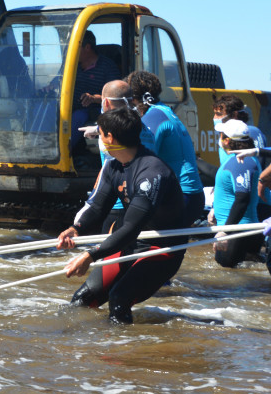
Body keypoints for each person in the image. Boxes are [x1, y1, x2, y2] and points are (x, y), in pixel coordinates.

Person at [57, 106, 185, 324]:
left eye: (100, 133)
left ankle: (124, 354)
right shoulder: (113, 167)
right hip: (128, 244)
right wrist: (75, 229)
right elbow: (98, 207)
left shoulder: (152, 172)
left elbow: (131, 227)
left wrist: (90, 256)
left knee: (119, 300)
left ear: (110, 137)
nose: (98, 137)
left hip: (161, 248)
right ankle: (78, 348)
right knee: (82, 300)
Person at [125, 71, 205, 226]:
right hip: (191, 194)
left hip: (182, 195)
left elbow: (140, 162)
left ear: (134, 98)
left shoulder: (152, 117)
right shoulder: (164, 111)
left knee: (148, 247)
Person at [81, 79, 158, 234]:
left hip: (117, 203)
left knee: (111, 255)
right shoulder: (139, 125)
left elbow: (107, 171)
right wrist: (97, 129)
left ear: (106, 103)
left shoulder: (115, 134)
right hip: (142, 201)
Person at [208, 118, 262, 267]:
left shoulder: (240, 161)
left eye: (221, 135)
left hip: (237, 232)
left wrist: (226, 231)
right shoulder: (239, 159)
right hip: (238, 230)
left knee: (226, 279)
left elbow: (242, 198)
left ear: (227, 140)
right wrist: (214, 209)